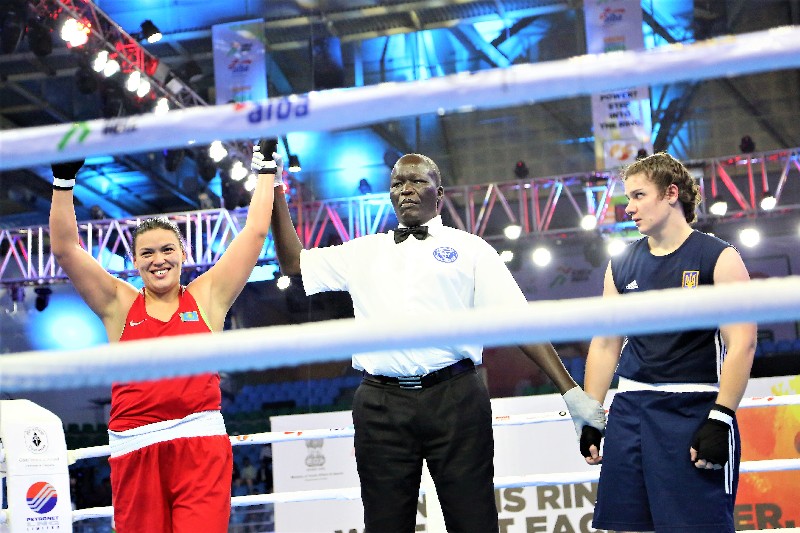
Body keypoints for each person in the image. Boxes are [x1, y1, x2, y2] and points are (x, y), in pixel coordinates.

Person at [270, 153, 605, 532]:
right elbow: (293, 263)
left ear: (440, 193)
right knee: (384, 526)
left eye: (416, 181)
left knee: (473, 523)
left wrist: (572, 395)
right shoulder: (362, 251)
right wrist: (275, 186)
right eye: (397, 184)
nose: (406, 190)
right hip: (380, 405)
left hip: (455, 397)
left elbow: (521, 323)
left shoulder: (471, 249)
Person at [48, 144, 280, 532]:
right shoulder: (119, 303)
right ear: (135, 262)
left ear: (183, 254)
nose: (159, 259)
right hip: (135, 447)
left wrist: (267, 167)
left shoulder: (207, 297)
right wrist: (63, 183)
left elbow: (255, 233)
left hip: (199, 444)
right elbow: (66, 250)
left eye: (168, 249)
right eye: (148, 253)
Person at [582, 152, 757, 532]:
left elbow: (742, 342)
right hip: (630, 410)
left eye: (638, 195)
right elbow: (606, 343)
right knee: (626, 527)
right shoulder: (621, 263)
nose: (628, 208)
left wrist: (721, 416)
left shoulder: (719, 257)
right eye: (628, 197)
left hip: (694, 409)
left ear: (671, 194)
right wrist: (590, 415)